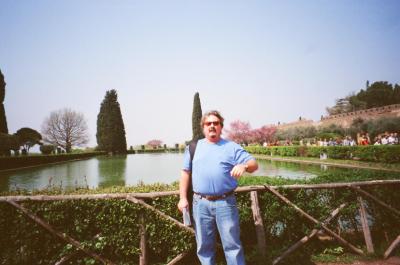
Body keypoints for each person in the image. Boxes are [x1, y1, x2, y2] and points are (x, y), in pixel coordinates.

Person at [178, 110, 258, 265]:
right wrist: (182, 198)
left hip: (225, 203)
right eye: (209, 123)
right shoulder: (193, 147)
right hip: (200, 204)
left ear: (221, 127)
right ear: (203, 128)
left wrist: (244, 165)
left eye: (216, 123)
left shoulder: (231, 147)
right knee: (204, 247)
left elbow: (254, 164)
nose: (212, 126)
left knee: (232, 246)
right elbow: (185, 173)